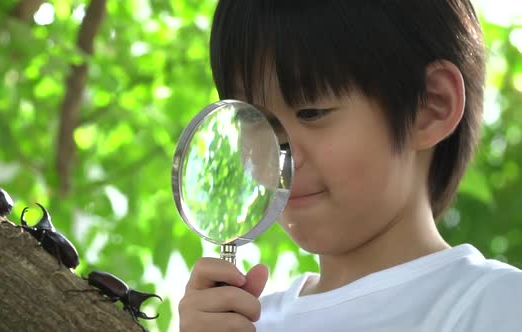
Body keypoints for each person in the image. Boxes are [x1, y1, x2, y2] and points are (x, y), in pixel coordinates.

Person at [178, 1, 522, 331]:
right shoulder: (247, 322)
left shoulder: (496, 304)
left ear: (431, 106)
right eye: (254, 122)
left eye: (311, 113)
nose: (279, 156)